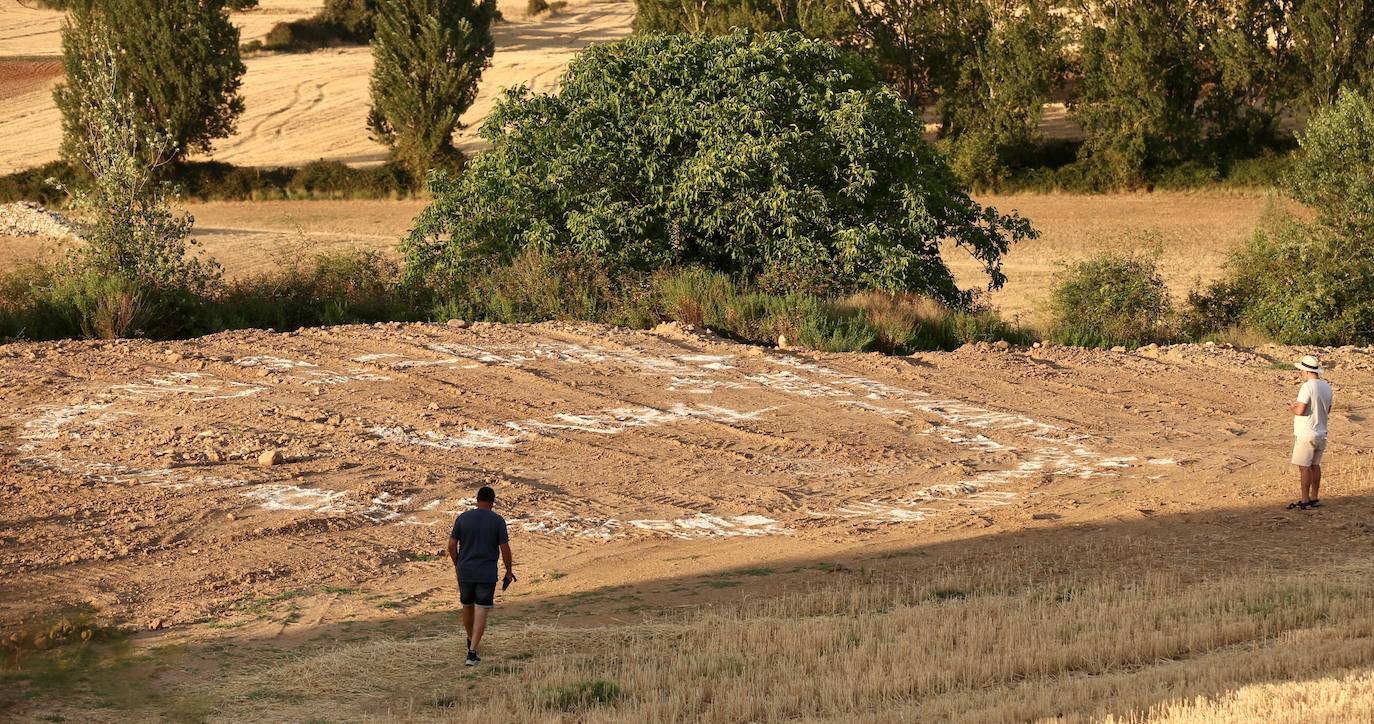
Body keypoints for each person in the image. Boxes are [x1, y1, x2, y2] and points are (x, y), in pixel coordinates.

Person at [447, 485, 514, 666]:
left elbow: (452, 546)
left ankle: (470, 640)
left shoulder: (463, 518)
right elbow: (505, 549)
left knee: (467, 606)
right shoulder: (497, 520)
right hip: (486, 573)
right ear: (493, 502)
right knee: (481, 609)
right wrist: (508, 571)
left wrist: (458, 564)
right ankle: (472, 653)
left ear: (477, 500)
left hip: (465, 571)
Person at [1287, 355, 1333, 510]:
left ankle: (1305, 499)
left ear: (1306, 371)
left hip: (1306, 432)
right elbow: (1328, 410)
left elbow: (1300, 410)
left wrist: (1292, 407)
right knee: (1315, 465)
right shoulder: (1326, 386)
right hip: (1321, 432)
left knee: (1304, 467)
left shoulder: (1307, 387)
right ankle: (1314, 497)